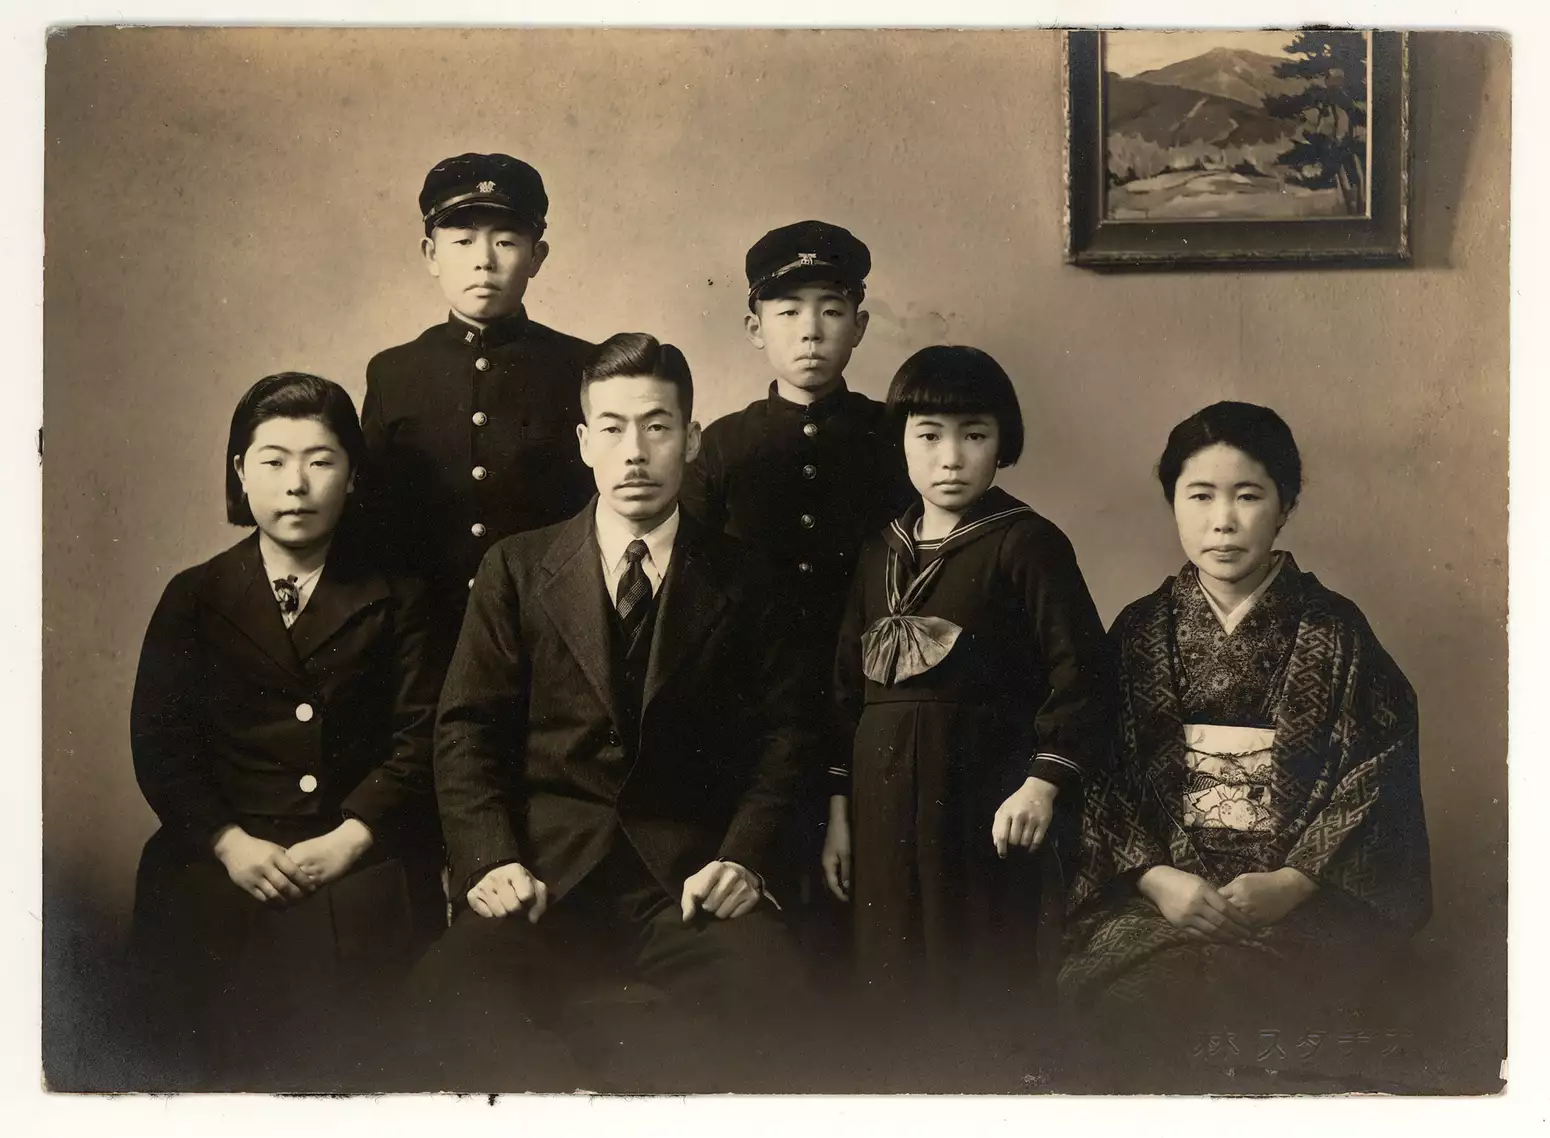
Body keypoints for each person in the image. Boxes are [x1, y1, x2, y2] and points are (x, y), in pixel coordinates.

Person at [408, 333, 821, 1092]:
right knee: (447, 998)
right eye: (613, 427)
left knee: (779, 998)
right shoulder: (517, 567)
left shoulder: (747, 578)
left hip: (688, 883)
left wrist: (743, 857)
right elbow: (466, 728)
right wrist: (489, 858)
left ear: (691, 439)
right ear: (583, 442)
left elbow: (786, 737)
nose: (635, 452)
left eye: (657, 426)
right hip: (544, 878)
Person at [1058, 401, 1431, 1083]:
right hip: (1158, 903)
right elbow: (1095, 772)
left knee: (1318, 1009)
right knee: (1131, 1001)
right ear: (1173, 502)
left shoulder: (1337, 632)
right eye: (1200, 496)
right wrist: (1156, 879)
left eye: (1249, 496)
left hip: (1302, 904)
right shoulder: (1137, 633)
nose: (1223, 521)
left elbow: (1378, 771)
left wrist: (1294, 881)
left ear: (1284, 506)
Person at [128, 373, 441, 1090]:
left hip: (357, 855)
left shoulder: (401, 597)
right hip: (220, 860)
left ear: (353, 474)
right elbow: (160, 743)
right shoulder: (195, 595)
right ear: (241, 472)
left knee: (354, 1067)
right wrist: (227, 842)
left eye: (320, 460)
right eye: (273, 461)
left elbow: (421, 736)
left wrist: (350, 839)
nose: (296, 484)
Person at [824, 346, 1114, 1068]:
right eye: (929, 435)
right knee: (888, 976)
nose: (950, 457)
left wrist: (1042, 784)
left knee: (979, 971)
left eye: (974, 435)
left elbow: (1083, 674)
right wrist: (839, 814)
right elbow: (843, 690)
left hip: (984, 798)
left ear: (1002, 442)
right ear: (901, 442)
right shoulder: (877, 552)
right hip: (880, 801)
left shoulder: (1028, 543)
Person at [680, 219, 912, 915]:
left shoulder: (895, 439)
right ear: (755, 328)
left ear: (860, 326)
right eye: (788, 313)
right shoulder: (723, 448)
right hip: (752, 709)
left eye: (832, 311)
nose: (811, 332)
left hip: (869, 698)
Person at [360, 152, 596, 663]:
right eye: (463, 241)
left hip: (549, 635)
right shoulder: (393, 374)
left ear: (537, 256)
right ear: (431, 254)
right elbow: (371, 522)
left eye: (506, 241)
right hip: (424, 640)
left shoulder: (581, 367)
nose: (483, 260)